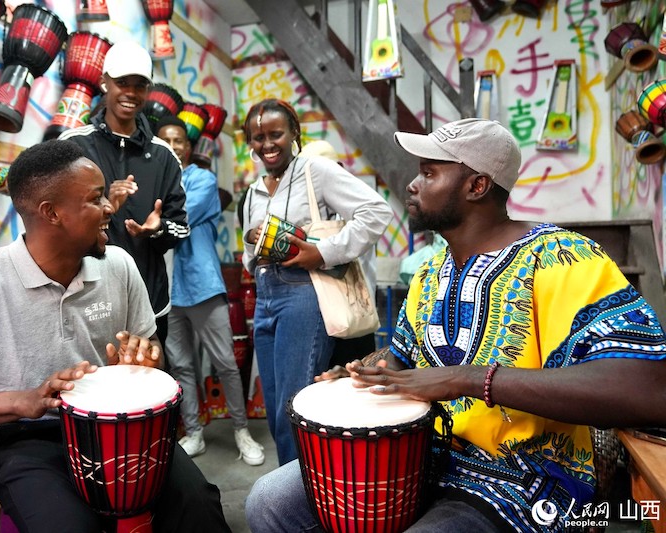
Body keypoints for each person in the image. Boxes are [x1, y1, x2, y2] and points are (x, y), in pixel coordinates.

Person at [245, 118, 666, 532]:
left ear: (476, 186)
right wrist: (366, 370)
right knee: (269, 501)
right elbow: (403, 357)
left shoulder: (564, 258)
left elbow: (645, 390)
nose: (413, 184)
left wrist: (464, 379)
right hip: (421, 455)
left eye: (428, 173)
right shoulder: (429, 273)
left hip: (525, 480)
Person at [0, 140, 230, 533]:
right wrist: (24, 401)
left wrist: (144, 363)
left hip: (120, 426)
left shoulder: (120, 266)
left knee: (199, 507)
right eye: (96, 199)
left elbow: (152, 351)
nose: (111, 207)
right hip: (25, 440)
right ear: (51, 213)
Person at [240, 99, 393, 465]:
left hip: (303, 294)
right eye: (258, 137)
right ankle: (289, 489)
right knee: (276, 407)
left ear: (294, 132)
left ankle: (306, 499)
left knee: (296, 404)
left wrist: (322, 252)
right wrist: (252, 242)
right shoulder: (253, 191)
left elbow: (376, 212)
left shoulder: (316, 170)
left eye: (276, 134)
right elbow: (249, 258)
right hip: (265, 295)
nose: (267, 144)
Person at [60, 40, 189, 345]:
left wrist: (157, 231)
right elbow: (54, 219)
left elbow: (181, 228)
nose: (131, 93)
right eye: (122, 83)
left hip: (150, 301)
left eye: (140, 85)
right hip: (86, 299)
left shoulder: (164, 156)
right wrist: (104, 207)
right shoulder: (73, 146)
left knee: (151, 387)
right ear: (104, 82)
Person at [155, 115, 265, 466]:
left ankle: (241, 431)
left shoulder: (201, 179)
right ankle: (195, 433)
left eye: (178, 141)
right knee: (182, 367)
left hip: (202, 286)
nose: (172, 146)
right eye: (165, 141)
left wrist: (153, 215)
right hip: (168, 293)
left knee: (226, 365)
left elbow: (179, 216)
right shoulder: (154, 183)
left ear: (188, 148)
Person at [298, 140, 378, 367]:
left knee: (355, 389)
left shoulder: (359, 214)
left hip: (355, 318)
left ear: (340, 170)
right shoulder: (314, 217)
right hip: (322, 320)